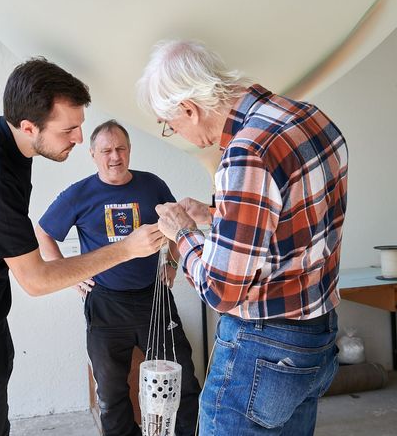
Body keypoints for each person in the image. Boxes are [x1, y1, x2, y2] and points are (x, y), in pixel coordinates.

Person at [0, 59, 164, 436]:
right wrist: (127, 249)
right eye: (70, 129)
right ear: (29, 127)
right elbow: (37, 280)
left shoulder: (9, 141)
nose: (80, 138)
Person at [138, 40, 349, 435]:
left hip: (264, 347)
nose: (177, 133)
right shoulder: (310, 117)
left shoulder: (245, 153)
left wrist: (182, 233)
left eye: (172, 125)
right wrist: (217, 213)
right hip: (318, 335)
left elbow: (222, 289)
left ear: (189, 108)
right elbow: (294, 219)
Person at [34, 119, 201, 436]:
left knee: (182, 378)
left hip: (154, 296)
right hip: (106, 303)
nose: (115, 156)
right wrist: (69, 275)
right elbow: (43, 231)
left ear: (129, 151)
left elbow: (176, 224)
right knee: (111, 393)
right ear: (93, 154)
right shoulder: (79, 194)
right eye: (107, 150)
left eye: (121, 148)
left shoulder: (152, 185)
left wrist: (173, 263)